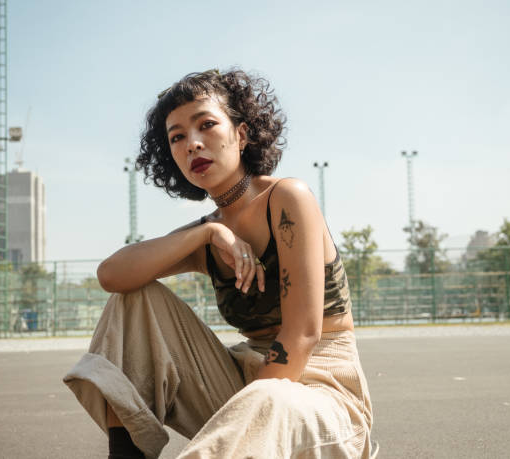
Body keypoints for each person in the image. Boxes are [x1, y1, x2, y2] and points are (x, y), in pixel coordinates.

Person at [63, 69, 373, 458]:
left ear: (241, 134)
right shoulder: (210, 236)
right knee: (133, 299)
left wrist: (244, 417)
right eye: (177, 137)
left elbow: (303, 335)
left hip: (318, 391)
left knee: (269, 401)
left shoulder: (288, 198)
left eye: (206, 125)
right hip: (244, 382)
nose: (192, 144)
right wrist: (206, 234)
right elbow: (111, 275)